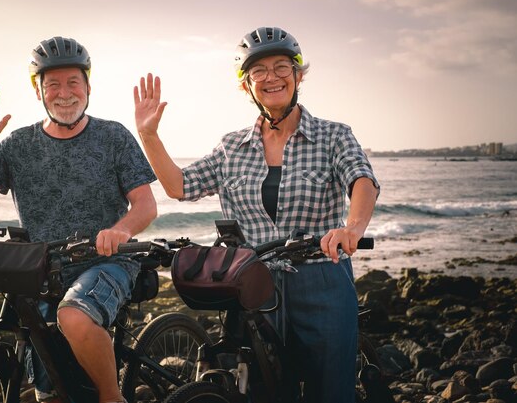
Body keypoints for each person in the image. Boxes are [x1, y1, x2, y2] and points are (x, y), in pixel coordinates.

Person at [133, 27, 380, 403]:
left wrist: (352, 227)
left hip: (321, 279)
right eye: (258, 72)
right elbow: (179, 186)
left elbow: (362, 180)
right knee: (262, 391)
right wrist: (149, 136)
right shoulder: (232, 147)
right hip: (254, 285)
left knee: (331, 390)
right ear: (246, 86)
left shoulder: (333, 135)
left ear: (299, 75)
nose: (272, 77)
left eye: (282, 67)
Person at [0, 36, 157, 403]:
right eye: (53, 84)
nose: (64, 93)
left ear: (88, 86)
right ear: (39, 91)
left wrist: (119, 230)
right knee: (52, 392)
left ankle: (113, 398)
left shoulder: (113, 136)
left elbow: (145, 205)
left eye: (73, 82)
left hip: (106, 262)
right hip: (40, 270)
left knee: (74, 317)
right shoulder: (18, 144)